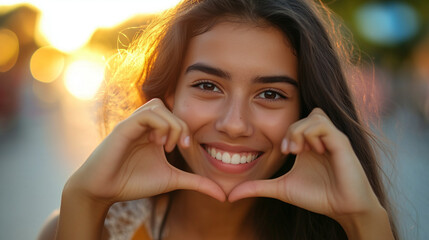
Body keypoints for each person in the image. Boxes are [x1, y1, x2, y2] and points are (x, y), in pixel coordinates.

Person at [38, 0, 398, 239]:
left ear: (304, 112)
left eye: (271, 94)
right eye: (208, 86)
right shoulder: (84, 226)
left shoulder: (351, 227)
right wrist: (84, 199)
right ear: (168, 97)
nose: (235, 124)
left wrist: (364, 221)